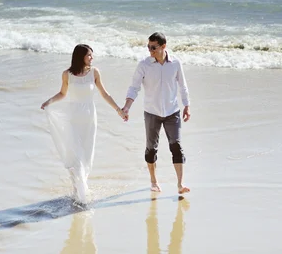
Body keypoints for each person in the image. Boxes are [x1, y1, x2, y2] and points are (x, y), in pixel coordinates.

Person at [41, 44, 127, 203]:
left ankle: (78, 188)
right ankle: (80, 192)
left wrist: (119, 110)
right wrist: (49, 102)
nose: (92, 58)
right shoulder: (67, 74)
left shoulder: (94, 73)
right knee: (76, 155)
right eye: (89, 55)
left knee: (86, 154)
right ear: (80, 56)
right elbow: (62, 93)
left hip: (89, 119)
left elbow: (104, 93)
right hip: (72, 118)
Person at [122, 32, 191, 194]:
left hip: (172, 112)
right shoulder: (144, 65)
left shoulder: (175, 63)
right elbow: (134, 87)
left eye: (154, 47)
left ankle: (180, 184)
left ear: (163, 46)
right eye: (148, 47)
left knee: (176, 147)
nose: (150, 51)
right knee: (151, 148)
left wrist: (187, 105)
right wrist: (127, 107)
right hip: (151, 112)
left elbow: (183, 86)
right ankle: (153, 181)